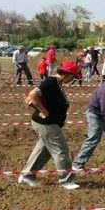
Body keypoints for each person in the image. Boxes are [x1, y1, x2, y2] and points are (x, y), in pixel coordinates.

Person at [18, 61, 81, 190]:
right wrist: (43, 111)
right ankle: (66, 180)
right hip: (47, 124)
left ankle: (27, 176)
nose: (73, 80)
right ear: (67, 74)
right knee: (61, 151)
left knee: (43, 150)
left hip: (48, 123)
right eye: (73, 77)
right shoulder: (51, 82)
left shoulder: (58, 84)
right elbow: (32, 96)